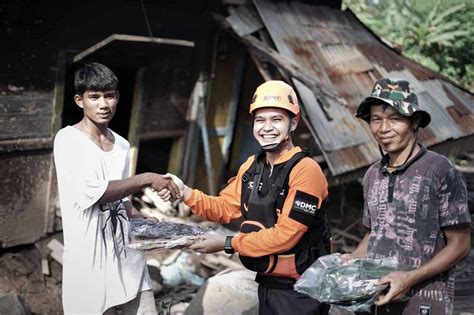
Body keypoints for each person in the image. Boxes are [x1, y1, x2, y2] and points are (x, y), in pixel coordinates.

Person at [161, 80, 332, 315]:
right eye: (260, 120)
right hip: (268, 283)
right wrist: (185, 192)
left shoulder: (306, 170)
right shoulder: (253, 166)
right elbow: (224, 208)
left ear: (293, 123)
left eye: (277, 120)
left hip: (302, 290)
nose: (267, 127)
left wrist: (227, 243)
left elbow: (287, 235)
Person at [53, 62, 179, 314]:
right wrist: (145, 178)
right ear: (79, 101)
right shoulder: (68, 140)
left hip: (127, 255)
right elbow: (98, 192)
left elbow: (122, 199)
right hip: (88, 261)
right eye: (94, 97)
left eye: (109, 96)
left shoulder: (121, 145)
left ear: (117, 98)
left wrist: (142, 219)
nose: (103, 104)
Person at [343, 78, 471, 314]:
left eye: (394, 119)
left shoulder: (440, 170)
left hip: (424, 303)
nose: (383, 129)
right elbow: (375, 233)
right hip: (376, 300)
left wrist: (409, 278)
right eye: (376, 119)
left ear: (415, 121)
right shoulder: (372, 175)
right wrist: (354, 258)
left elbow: (461, 244)